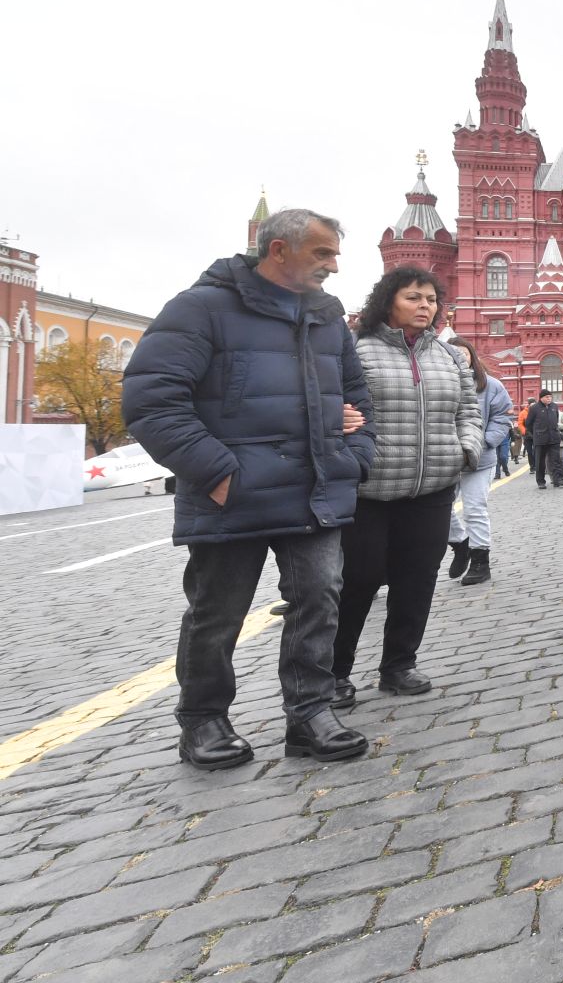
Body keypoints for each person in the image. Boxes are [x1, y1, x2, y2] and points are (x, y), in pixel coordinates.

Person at [123, 208, 374, 767]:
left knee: (319, 601)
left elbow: (359, 399)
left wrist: (354, 457)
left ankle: (310, 715)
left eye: (334, 253)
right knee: (217, 613)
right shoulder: (201, 308)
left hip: (314, 488)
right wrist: (216, 472)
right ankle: (203, 721)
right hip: (233, 493)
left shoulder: (327, 318)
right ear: (278, 250)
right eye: (323, 253)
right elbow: (151, 399)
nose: (334, 265)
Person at [331, 267, 482, 709]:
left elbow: (469, 412)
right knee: (357, 582)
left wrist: (464, 451)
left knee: (417, 580)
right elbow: (334, 407)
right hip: (370, 490)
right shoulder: (356, 350)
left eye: (432, 299)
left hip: (431, 489)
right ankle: (336, 673)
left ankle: (399, 664)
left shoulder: (449, 357)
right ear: (388, 301)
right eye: (414, 298)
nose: (425, 306)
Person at [446, 336, 513, 586]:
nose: (459, 356)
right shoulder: (437, 383)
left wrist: (484, 442)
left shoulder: (490, 386)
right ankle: (460, 544)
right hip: (444, 460)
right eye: (453, 352)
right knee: (440, 510)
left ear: (472, 356)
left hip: (478, 460)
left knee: (474, 509)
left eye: (464, 352)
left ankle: (480, 561)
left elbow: (503, 417)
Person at [527, 390, 563, 488]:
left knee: (556, 460)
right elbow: (528, 423)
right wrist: (536, 434)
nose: (549, 398)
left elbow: (556, 419)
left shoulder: (554, 406)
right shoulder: (534, 408)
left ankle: (558, 479)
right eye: (547, 397)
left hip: (554, 437)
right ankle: (541, 482)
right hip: (540, 439)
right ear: (541, 398)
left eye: (550, 397)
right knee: (540, 462)